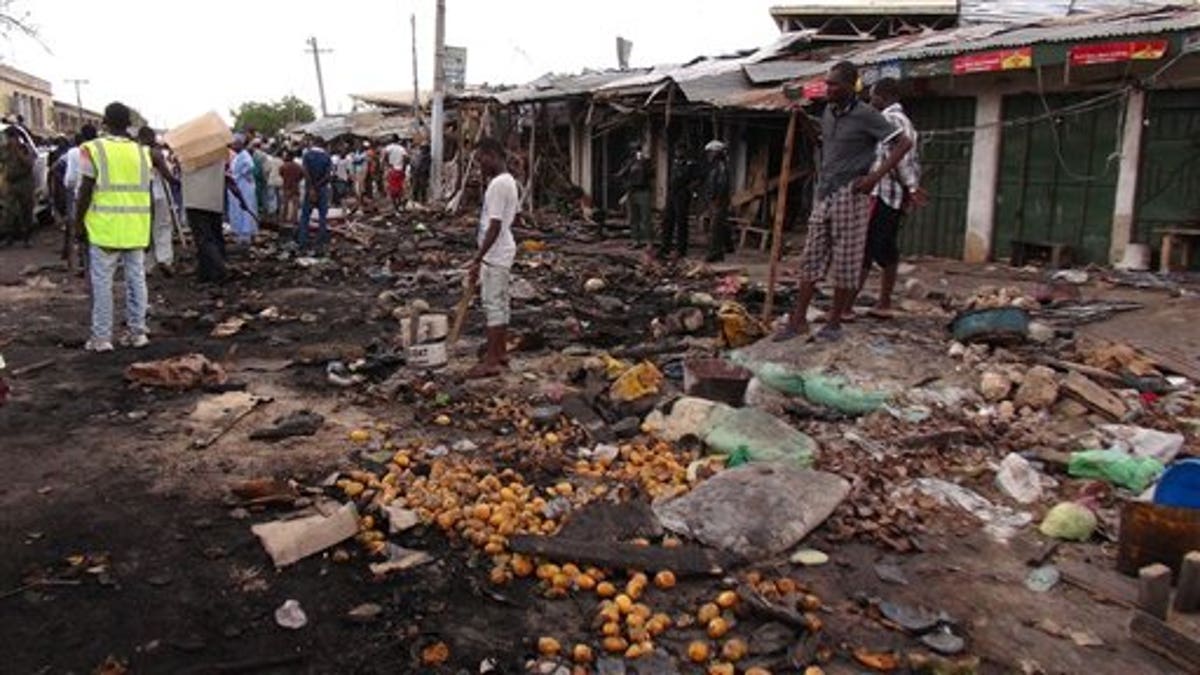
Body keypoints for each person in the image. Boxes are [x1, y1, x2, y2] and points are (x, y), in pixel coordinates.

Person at [775, 61, 913, 343]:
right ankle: (798, 321)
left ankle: (835, 322)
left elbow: (903, 143)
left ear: (851, 87)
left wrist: (875, 177)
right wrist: (801, 118)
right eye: (827, 83)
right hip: (824, 192)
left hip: (851, 193)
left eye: (834, 84)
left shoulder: (866, 115)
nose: (829, 88)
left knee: (846, 259)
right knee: (811, 257)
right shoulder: (828, 112)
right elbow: (822, 143)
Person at [74, 102, 154, 352]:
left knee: (102, 284)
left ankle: (101, 338)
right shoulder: (142, 152)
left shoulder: (93, 149)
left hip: (104, 228)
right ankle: (138, 332)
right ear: (128, 123)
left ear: (105, 122)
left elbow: (85, 190)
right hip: (136, 227)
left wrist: (78, 223)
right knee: (136, 280)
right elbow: (147, 193)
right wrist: (149, 228)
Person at [858, 77, 925, 317]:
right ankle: (878, 301)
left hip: (884, 192)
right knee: (879, 247)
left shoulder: (890, 119)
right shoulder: (902, 120)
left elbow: (904, 157)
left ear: (883, 97)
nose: (870, 100)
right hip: (888, 193)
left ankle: (861, 302)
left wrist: (912, 187)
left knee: (870, 246)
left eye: (872, 96)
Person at [466, 137, 519, 379]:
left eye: (480, 160)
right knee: (501, 303)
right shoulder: (509, 181)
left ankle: (491, 360)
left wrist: (478, 257)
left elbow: (495, 225)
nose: (480, 166)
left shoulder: (498, 184)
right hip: (502, 251)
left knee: (493, 305)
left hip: (496, 253)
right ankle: (501, 352)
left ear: (491, 155)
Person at [138, 126, 181, 275]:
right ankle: (164, 259)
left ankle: (146, 265)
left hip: (139, 195)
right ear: (151, 138)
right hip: (158, 192)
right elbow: (167, 175)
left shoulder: (133, 152)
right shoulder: (155, 153)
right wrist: (178, 183)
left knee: (145, 229)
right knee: (162, 226)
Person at [62, 124, 97, 271]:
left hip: (80, 193)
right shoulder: (100, 149)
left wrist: (70, 187)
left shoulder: (75, 152)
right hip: (100, 197)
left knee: (78, 225)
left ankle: (82, 264)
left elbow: (70, 178)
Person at [658, 143, 699, 261]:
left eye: (680, 150)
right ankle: (665, 247)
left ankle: (681, 249)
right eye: (677, 150)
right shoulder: (675, 163)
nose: (678, 153)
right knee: (667, 220)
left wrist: (689, 189)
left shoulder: (691, 164)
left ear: (685, 151)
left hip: (682, 194)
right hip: (672, 193)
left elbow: (698, 179)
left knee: (681, 222)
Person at [0, 126, 36, 247]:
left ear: (16, 138)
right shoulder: (4, 149)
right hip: (10, 183)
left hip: (24, 183)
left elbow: (29, 164)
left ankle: (27, 238)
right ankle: (8, 237)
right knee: (8, 211)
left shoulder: (24, 148)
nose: (8, 140)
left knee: (26, 210)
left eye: (10, 137)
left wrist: (19, 153)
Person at [298, 136, 333, 255]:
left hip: (310, 189)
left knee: (305, 215)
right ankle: (320, 241)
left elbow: (305, 171)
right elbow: (328, 175)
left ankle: (303, 240)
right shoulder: (327, 157)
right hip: (322, 189)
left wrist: (312, 187)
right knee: (323, 216)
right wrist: (318, 186)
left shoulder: (307, 155)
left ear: (314, 143)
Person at [616, 142, 652, 248]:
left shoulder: (645, 162)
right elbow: (621, 174)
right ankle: (636, 240)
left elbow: (649, 174)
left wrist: (640, 162)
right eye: (632, 150)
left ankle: (648, 241)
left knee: (645, 217)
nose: (634, 152)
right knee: (633, 218)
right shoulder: (628, 162)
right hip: (631, 191)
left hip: (643, 190)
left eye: (636, 150)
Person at [703, 140, 732, 263]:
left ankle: (713, 253)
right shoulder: (716, 167)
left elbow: (722, 185)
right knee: (717, 226)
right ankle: (719, 252)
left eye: (711, 153)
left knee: (715, 228)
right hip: (714, 201)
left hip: (718, 201)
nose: (709, 155)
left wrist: (716, 200)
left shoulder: (721, 167)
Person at [227, 134, 258, 244]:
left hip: (244, 187)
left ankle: (245, 234)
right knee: (237, 210)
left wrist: (239, 175)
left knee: (244, 210)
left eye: (235, 144)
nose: (233, 146)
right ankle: (239, 232)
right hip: (238, 186)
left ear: (240, 144)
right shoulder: (238, 156)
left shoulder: (245, 156)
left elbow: (250, 167)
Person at [383, 135, 408, 210]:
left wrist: (388, 165)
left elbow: (385, 157)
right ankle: (399, 202)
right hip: (400, 170)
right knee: (400, 187)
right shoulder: (401, 148)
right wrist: (404, 168)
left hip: (391, 170)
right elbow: (406, 158)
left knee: (392, 187)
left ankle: (395, 204)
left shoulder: (388, 147)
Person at [279, 149, 304, 224]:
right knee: (295, 205)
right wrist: (297, 180)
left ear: (288, 156)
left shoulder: (284, 166)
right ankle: (294, 219)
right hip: (295, 187)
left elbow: (281, 174)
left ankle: (284, 219)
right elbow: (302, 175)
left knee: (285, 204)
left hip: (286, 186)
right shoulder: (298, 166)